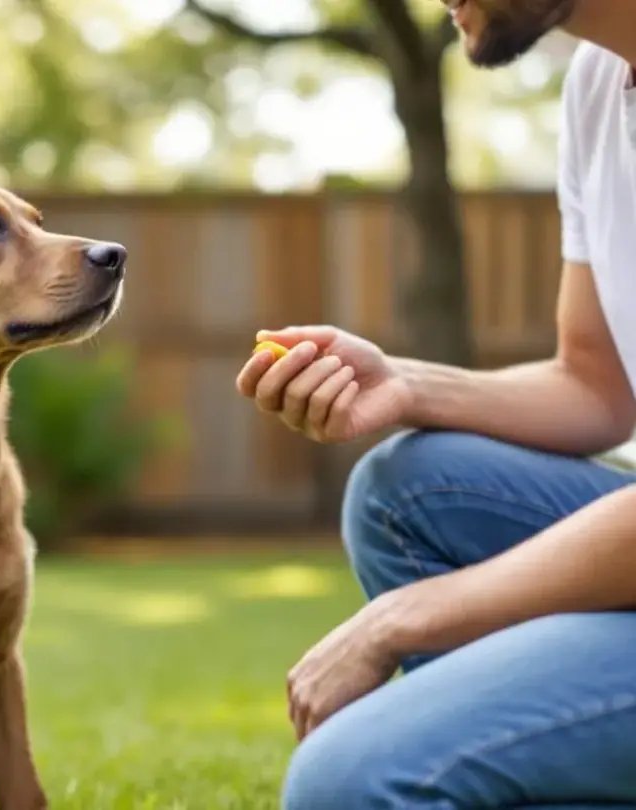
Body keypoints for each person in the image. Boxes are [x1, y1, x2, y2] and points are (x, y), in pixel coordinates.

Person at [234, 1, 636, 807]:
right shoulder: (599, 86)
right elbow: (597, 385)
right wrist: (407, 386)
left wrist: (410, 615)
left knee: (354, 777)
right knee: (409, 485)